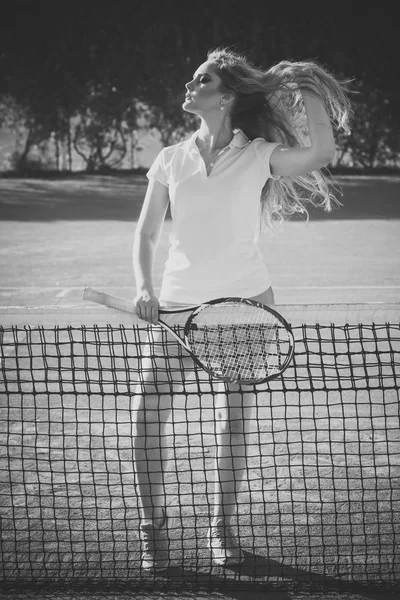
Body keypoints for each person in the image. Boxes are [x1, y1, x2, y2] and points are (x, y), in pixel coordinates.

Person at [132, 47, 351, 571]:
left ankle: (221, 526)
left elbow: (321, 152)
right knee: (146, 416)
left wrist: (311, 90)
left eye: (200, 79)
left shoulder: (258, 153)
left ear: (226, 96)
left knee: (233, 418)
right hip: (177, 310)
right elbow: (145, 233)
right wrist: (144, 287)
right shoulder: (170, 158)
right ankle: (152, 528)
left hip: (245, 307)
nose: (189, 85)